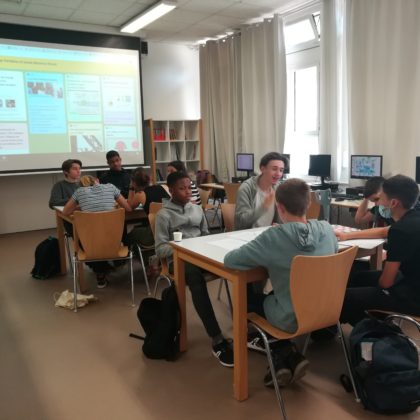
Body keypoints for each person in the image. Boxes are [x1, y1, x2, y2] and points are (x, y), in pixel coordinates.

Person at [224, 179, 338, 387]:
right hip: (326, 310)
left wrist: (276, 237)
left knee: (248, 300)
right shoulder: (326, 229)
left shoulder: (273, 238)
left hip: (291, 318)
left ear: (280, 207)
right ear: (308, 204)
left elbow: (231, 260)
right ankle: (287, 356)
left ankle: (281, 351)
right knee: (275, 297)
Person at [155, 171, 233, 367]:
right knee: (195, 277)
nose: (188, 191)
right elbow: (160, 249)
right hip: (178, 259)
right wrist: (182, 247)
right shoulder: (164, 215)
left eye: (189, 187)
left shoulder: (197, 209)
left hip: (201, 255)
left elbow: (206, 235)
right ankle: (217, 339)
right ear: (171, 191)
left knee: (234, 266)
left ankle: (248, 327)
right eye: (182, 188)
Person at [341, 174, 420, 326]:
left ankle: (383, 331)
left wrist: (372, 289)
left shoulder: (401, 231)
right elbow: (384, 231)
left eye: (380, 199)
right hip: (412, 281)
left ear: (393, 203)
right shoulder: (411, 218)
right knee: (358, 277)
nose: (377, 204)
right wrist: (347, 236)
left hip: (413, 298)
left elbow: (386, 283)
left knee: (344, 297)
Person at [63, 175, 132, 288]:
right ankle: (118, 261)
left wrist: (80, 207)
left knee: (87, 238)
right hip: (114, 243)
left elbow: (65, 212)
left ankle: (100, 273)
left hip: (90, 246)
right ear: (97, 181)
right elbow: (128, 208)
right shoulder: (110, 187)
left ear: (82, 186)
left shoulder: (79, 192)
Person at [234, 152, 288, 230]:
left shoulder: (278, 188)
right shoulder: (246, 188)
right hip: (249, 234)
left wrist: (280, 226)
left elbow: (282, 218)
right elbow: (241, 223)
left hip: (269, 233)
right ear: (262, 169)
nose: (278, 174)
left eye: (281, 170)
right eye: (274, 169)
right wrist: (262, 208)